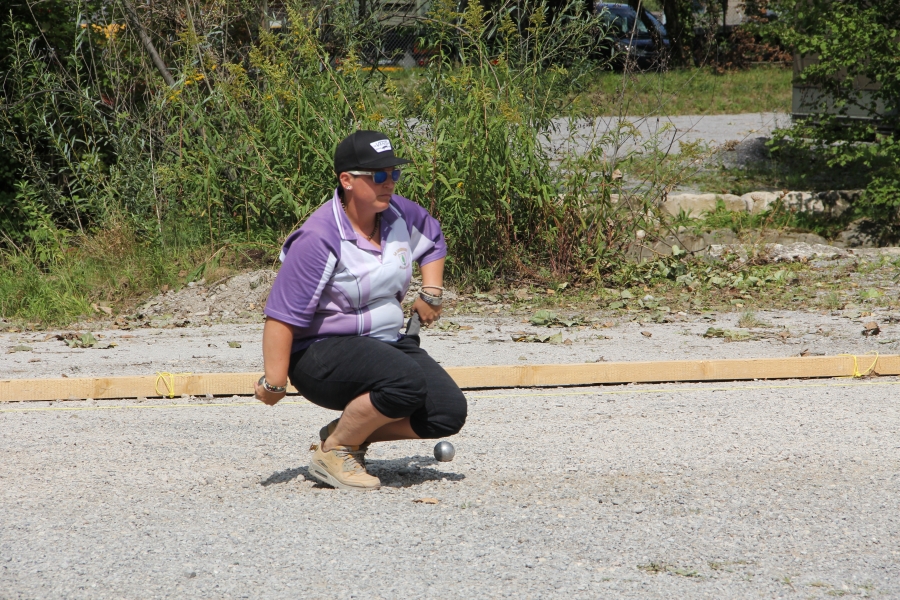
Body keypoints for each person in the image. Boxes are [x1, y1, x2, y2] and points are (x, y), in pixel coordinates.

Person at [254, 130, 467, 491]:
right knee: (405, 383)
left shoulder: (399, 214)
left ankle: (346, 431)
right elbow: (281, 314)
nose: (389, 184)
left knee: (446, 412)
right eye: (378, 176)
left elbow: (432, 237)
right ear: (347, 180)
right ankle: (336, 450)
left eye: (394, 174)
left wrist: (431, 292)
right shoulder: (320, 236)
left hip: (383, 344)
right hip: (321, 353)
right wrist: (274, 382)